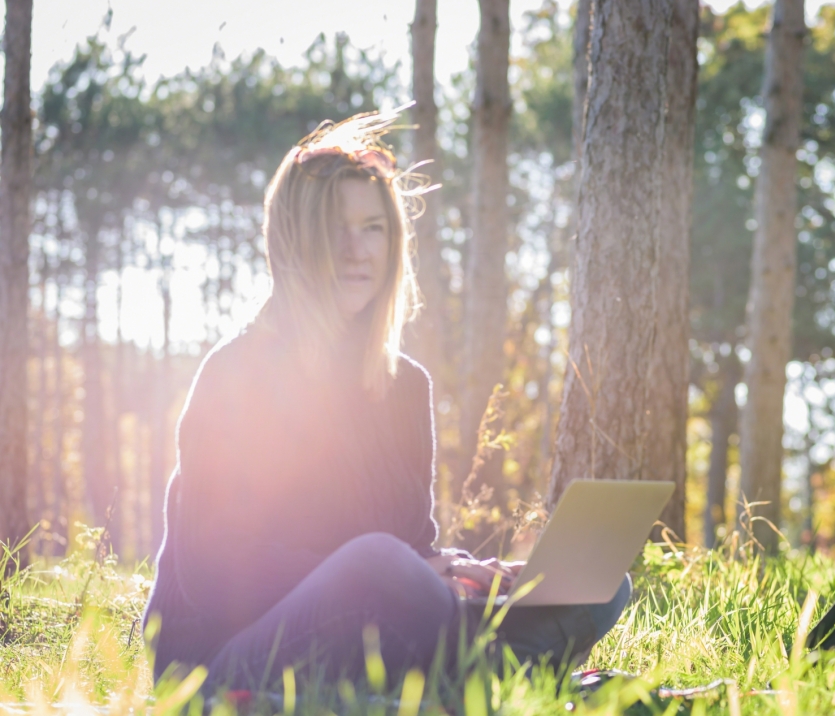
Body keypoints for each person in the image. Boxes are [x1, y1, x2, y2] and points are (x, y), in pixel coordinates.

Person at [142, 110, 631, 693]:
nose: (357, 249)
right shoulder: (236, 374)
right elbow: (212, 576)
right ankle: (505, 677)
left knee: (593, 581)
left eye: (373, 227)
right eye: (336, 228)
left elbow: (409, 550)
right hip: (222, 659)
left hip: (362, 626)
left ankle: (489, 673)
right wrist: (390, 572)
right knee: (374, 567)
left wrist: (457, 568)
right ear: (295, 240)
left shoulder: (404, 386)